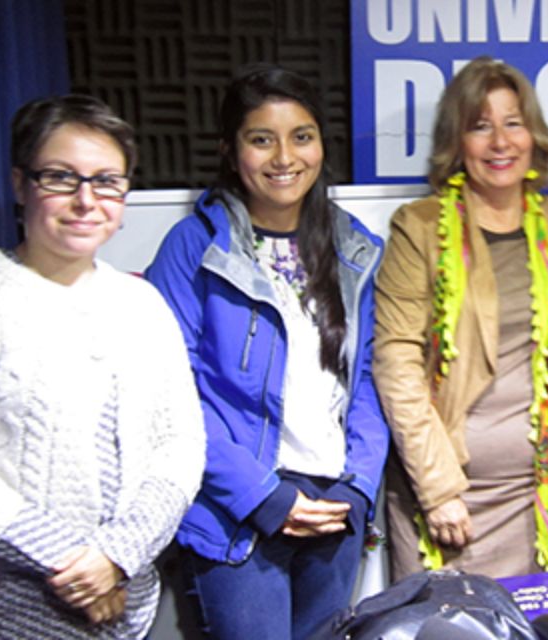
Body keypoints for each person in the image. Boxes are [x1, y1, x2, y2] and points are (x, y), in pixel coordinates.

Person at [0, 94, 206, 639]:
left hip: (122, 606)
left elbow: (180, 447)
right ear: (21, 184)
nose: (86, 200)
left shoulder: (143, 305)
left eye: (106, 181)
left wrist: (117, 555)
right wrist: (73, 563)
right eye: (62, 178)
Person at [144, 64, 390, 640]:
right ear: (230, 152)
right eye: (262, 139)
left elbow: (368, 381)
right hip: (236, 510)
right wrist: (263, 496)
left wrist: (357, 486)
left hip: (334, 506)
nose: (285, 157)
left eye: (302, 136)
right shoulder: (193, 247)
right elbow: (170, 395)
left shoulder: (355, 246)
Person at [374, 56, 548, 581]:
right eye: (480, 126)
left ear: (533, 134)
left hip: (542, 495)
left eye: (513, 123)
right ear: (457, 142)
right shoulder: (419, 227)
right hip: (453, 501)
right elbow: (396, 364)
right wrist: (438, 490)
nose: (500, 143)